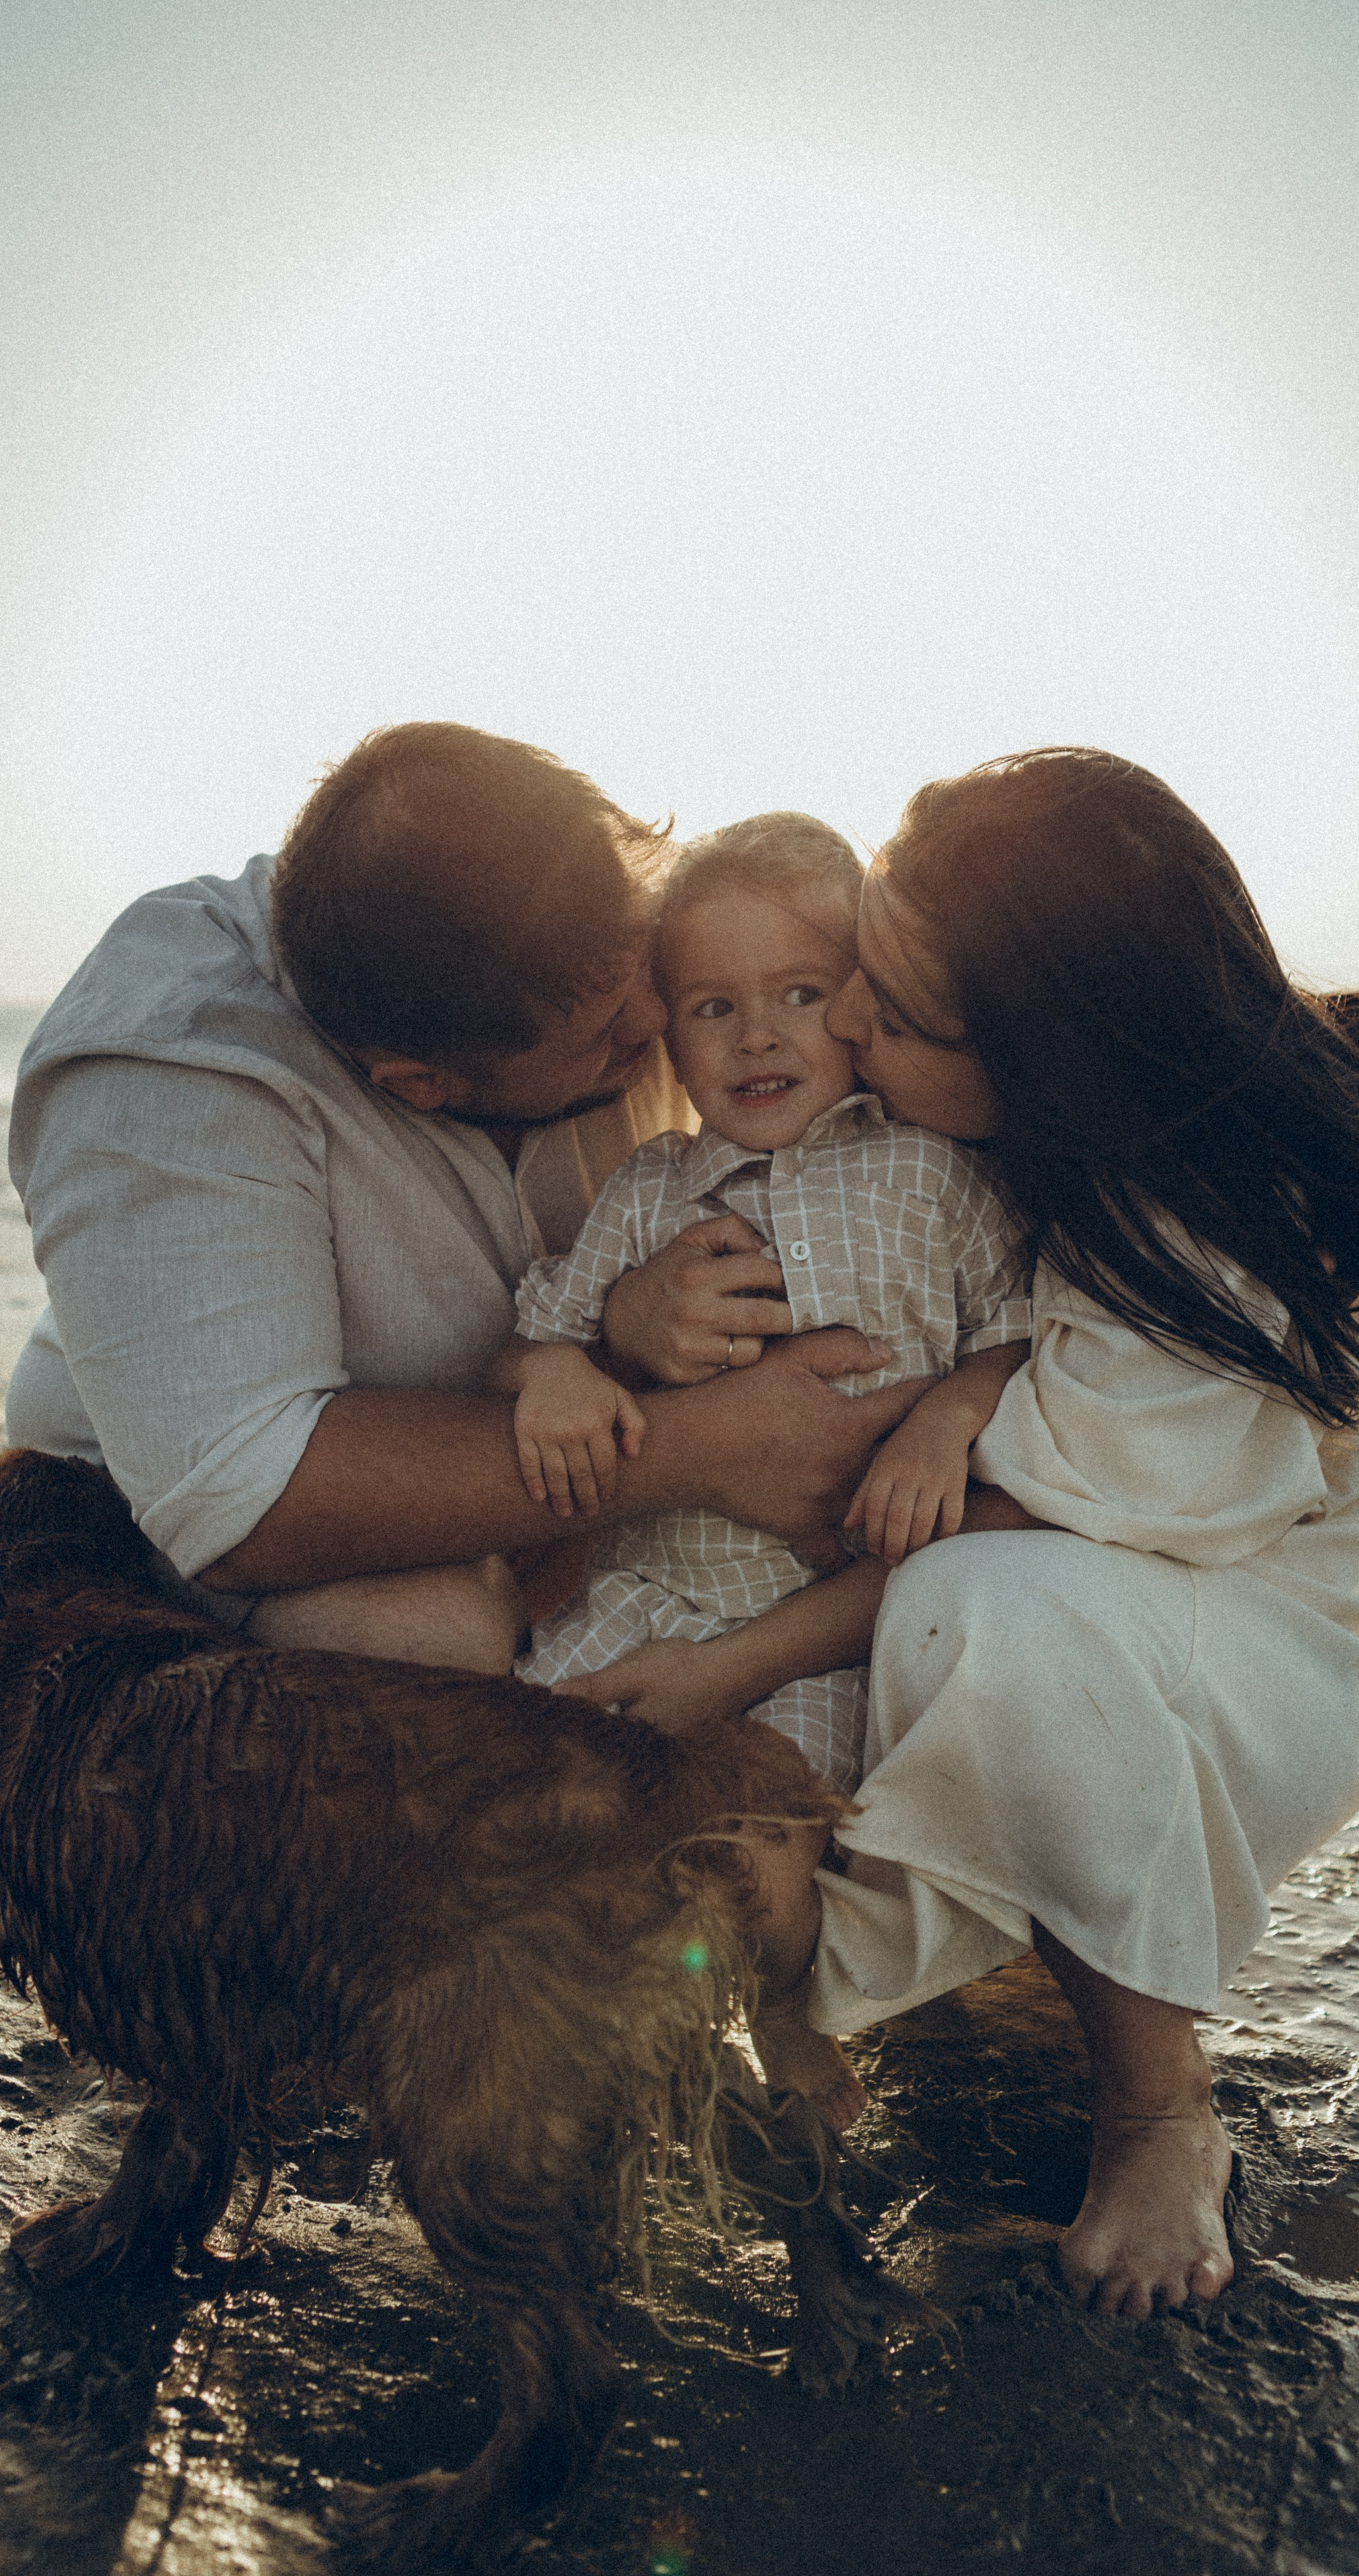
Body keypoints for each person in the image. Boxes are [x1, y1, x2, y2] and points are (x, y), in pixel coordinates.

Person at [579, 749, 1359, 2318]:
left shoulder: (1212, 1223)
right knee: (958, 1619)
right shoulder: (973, 1139)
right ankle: (953, 1976)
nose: (839, 1030)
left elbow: (991, 1534)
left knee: (985, 1614)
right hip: (1083, 1570)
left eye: (886, 1015)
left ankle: (1159, 2106)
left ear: (1041, 1052)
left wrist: (721, 1663)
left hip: (1249, 1629)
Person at [5, 725, 923, 1659]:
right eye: (605, 1034)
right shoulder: (167, 1066)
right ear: (420, 1084)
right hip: (158, 1522)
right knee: (430, 1637)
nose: (657, 1023)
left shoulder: (567, 916)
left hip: (569, 1438)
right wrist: (706, 1450)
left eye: (647, 969)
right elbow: (244, 1496)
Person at [486, 814, 1028, 2123]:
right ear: (666, 1030)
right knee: (538, 1806)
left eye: (797, 994)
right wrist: (566, 1365)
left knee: (772, 1864)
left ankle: (781, 2019)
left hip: (815, 1630)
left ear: (857, 1004)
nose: (758, 1035)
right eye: (713, 1005)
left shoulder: (930, 1173)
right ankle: (585, 2039)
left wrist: (941, 1419)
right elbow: (532, 1338)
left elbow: (1014, 1337)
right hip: (642, 1584)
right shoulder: (647, 1188)